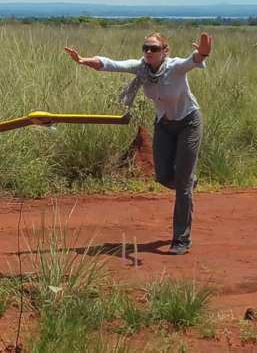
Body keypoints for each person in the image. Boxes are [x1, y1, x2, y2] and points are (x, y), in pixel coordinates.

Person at [64, 31, 212, 255]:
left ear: (165, 51)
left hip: (189, 123)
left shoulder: (176, 67)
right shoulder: (141, 68)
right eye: (146, 48)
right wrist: (83, 60)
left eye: (154, 48)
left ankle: (181, 239)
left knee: (181, 184)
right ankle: (187, 185)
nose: (148, 52)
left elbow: (194, 60)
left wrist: (202, 52)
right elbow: (110, 64)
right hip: (164, 124)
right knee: (162, 175)